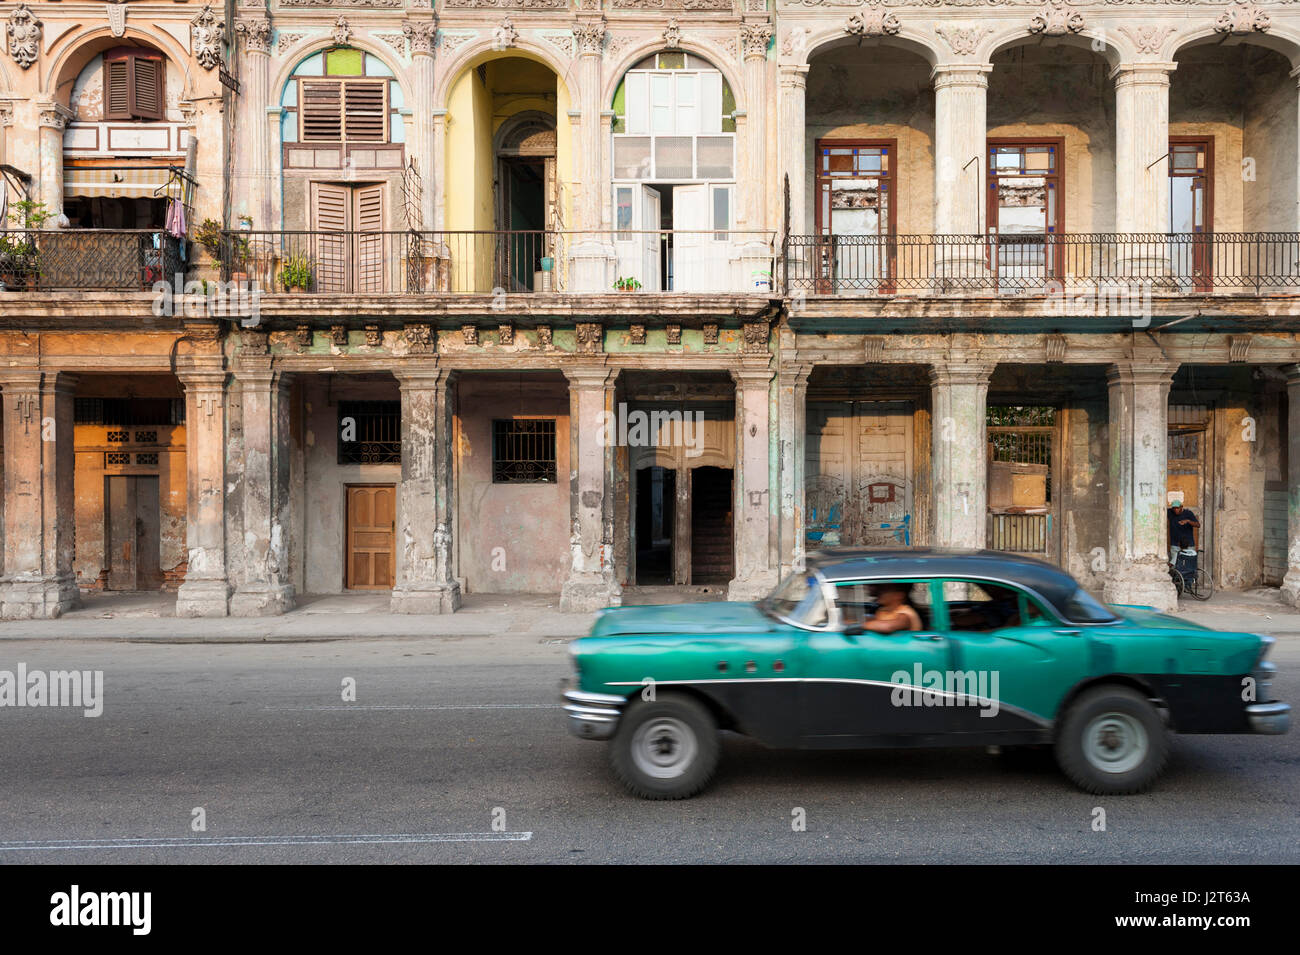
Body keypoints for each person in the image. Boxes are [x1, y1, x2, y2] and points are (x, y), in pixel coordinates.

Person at [1167, 498, 1200, 565]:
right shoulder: (1170, 512)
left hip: (1188, 545)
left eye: (1177, 508)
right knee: (1175, 565)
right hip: (1175, 545)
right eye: (1174, 508)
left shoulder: (1188, 513)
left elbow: (1198, 525)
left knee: (1188, 565)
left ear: (1181, 507)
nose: (1176, 510)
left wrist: (1188, 521)